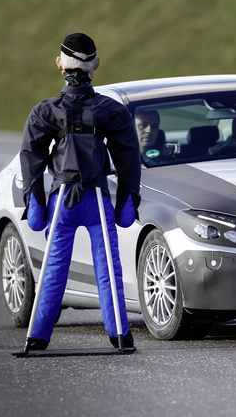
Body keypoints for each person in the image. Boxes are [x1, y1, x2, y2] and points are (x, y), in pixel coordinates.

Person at [19, 33, 141, 351]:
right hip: (97, 199)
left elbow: (31, 157)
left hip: (62, 203)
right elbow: (128, 157)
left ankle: (38, 337)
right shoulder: (112, 111)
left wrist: (35, 201)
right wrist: (128, 199)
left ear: (60, 65)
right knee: (108, 267)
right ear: (95, 66)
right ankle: (119, 335)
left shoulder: (43, 112)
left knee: (55, 266)